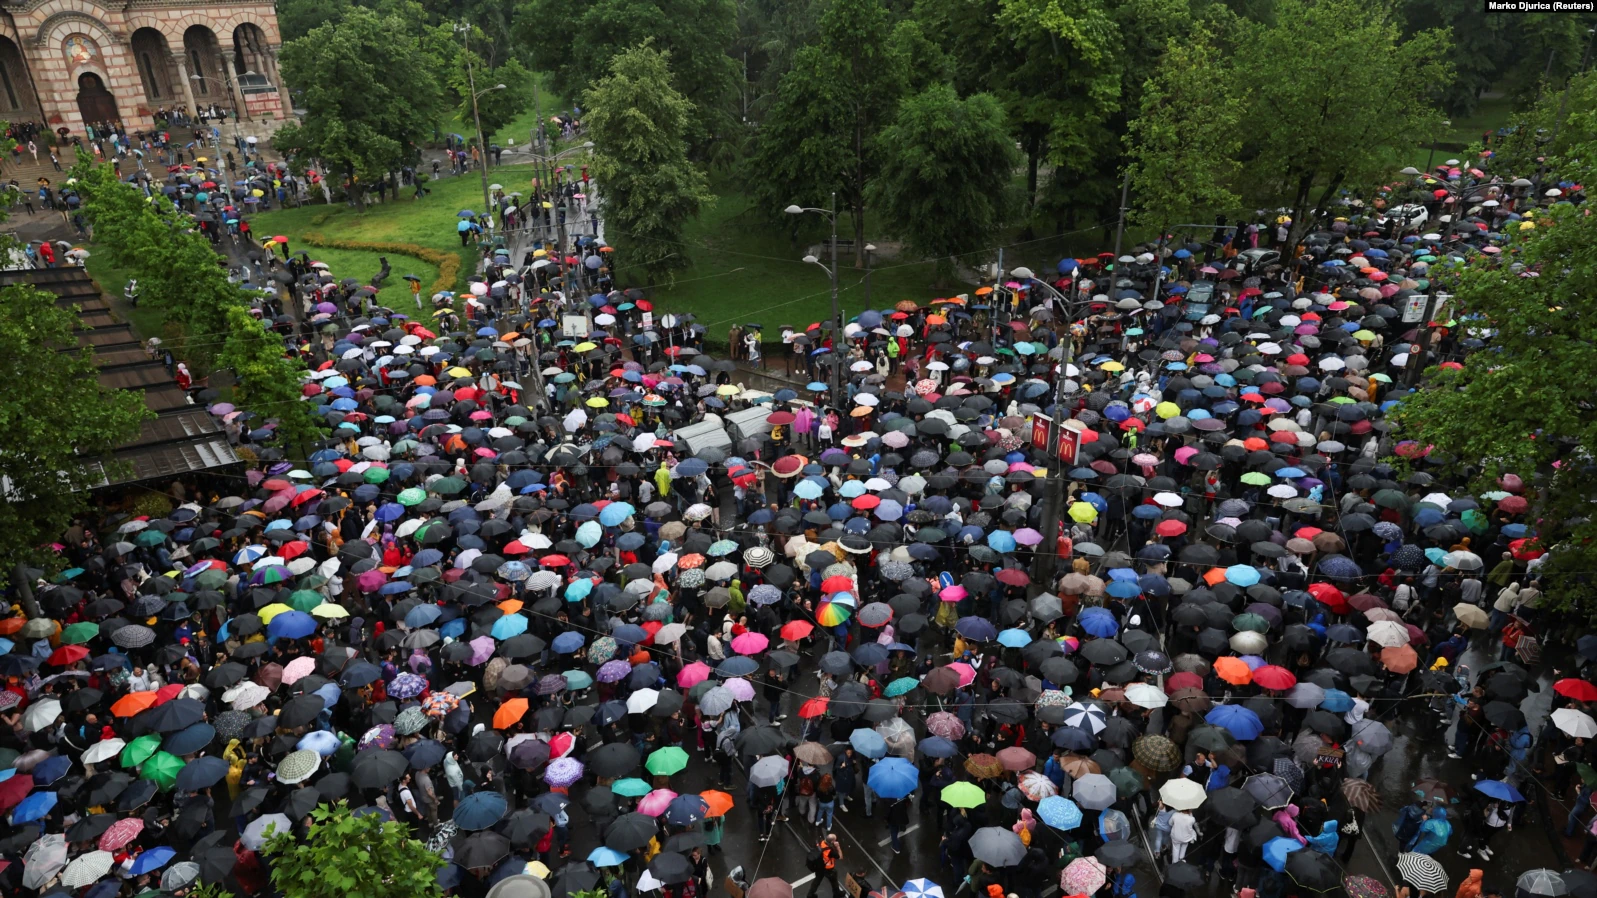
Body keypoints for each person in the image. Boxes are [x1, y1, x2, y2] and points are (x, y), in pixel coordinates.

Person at [807, 834, 842, 898]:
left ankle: (810, 894)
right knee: (834, 881)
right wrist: (838, 847)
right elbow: (840, 857)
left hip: (819, 867)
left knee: (817, 881)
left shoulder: (821, 842)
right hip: (828, 869)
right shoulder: (830, 851)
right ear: (832, 842)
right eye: (835, 840)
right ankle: (837, 894)